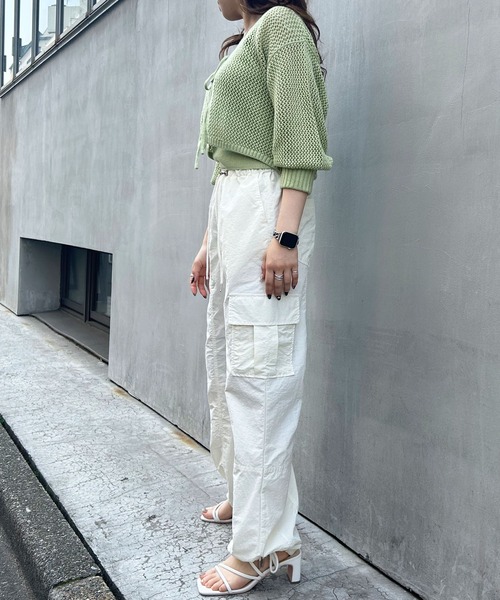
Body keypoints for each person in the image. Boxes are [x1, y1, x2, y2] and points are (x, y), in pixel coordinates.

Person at [190, 0, 332, 595]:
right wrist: (208, 243)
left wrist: (285, 236)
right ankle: (245, 500)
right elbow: (228, 160)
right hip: (234, 210)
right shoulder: (246, 42)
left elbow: (301, 140)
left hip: (266, 212)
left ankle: (265, 546)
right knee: (230, 364)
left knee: (261, 375)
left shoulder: (281, 27)